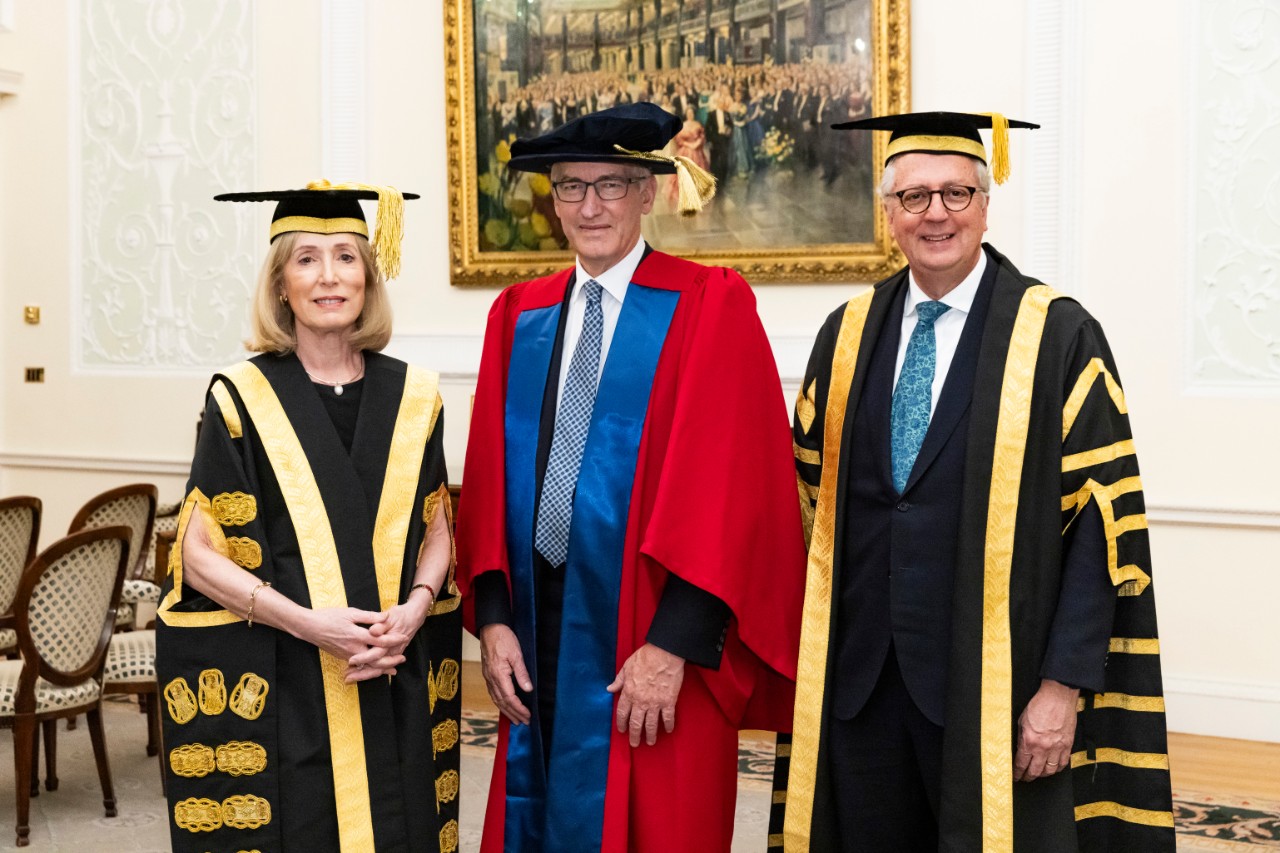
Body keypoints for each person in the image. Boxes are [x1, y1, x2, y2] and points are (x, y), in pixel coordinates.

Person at [774, 112, 1174, 852]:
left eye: (956, 193)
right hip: (859, 683)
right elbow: (803, 510)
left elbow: (1101, 527)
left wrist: (1061, 688)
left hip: (994, 683)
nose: (936, 214)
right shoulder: (847, 330)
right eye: (915, 196)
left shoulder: (1054, 334)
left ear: (987, 204)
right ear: (887, 213)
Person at [455, 102, 807, 852]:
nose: (590, 206)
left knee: (658, 825)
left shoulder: (710, 305)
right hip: (537, 625)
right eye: (571, 186)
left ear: (649, 192)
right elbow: (487, 478)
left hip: (647, 631)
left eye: (611, 185)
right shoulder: (518, 313)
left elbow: (732, 496)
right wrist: (491, 616)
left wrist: (673, 644)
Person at [155, 182, 462, 853]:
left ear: (369, 277)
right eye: (307, 259)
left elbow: (438, 526)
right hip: (291, 672)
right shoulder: (241, 395)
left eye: (348, 257)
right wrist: (308, 623)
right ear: (281, 283)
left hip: (391, 662)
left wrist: (413, 608)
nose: (330, 276)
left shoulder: (415, 395)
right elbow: (199, 552)